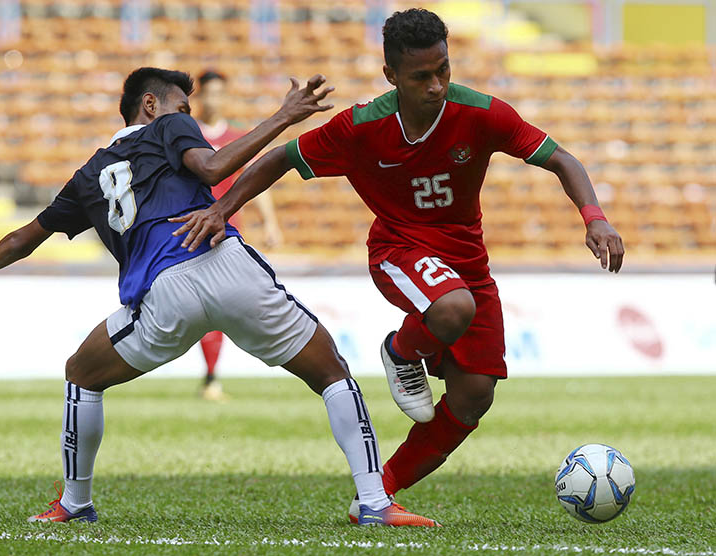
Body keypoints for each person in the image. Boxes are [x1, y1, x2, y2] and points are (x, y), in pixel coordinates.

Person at [170, 8, 626, 524]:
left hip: (468, 264)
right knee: (453, 307)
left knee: (474, 397)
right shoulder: (362, 126)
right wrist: (220, 209)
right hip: (397, 251)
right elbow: (280, 159)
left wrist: (595, 218)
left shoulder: (480, 112)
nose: (436, 86)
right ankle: (400, 351)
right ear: (391, 76)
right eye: (421, 77)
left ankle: (379, 491)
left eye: (444, 70)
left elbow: (562, 158)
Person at [0, 67, 437, 527]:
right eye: (182, 107)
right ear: (150, 105)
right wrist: (285, 115)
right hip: (225, 265)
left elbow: (28, 235)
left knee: (81, 374)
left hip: (163, 296)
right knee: (331, 370)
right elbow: (214, 168)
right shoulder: (167, 128)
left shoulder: (89, 176)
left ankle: (74, 502)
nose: (188, 117)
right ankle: (373, 500)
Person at [192, 69, 285, 401]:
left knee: (217, 306)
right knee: (202, 306)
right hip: (190, 233)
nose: (214, 99)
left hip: (229, 235)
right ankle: (208, 376)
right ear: (198, 97)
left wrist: (270, 223)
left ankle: (211, 376)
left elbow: (255, 181)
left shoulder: (237, 137)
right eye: (208, 93)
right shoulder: (187, 135)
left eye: (219, 93)